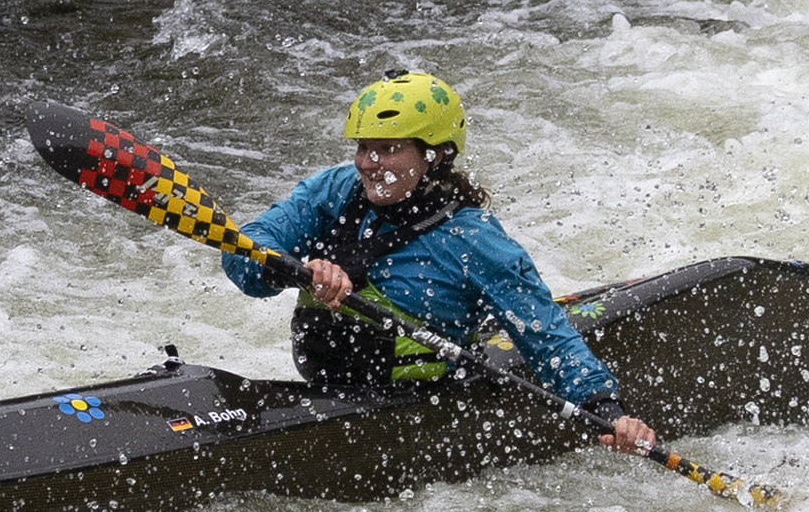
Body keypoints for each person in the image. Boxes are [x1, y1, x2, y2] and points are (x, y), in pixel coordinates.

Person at [221, 70, 658, 457]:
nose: (368, 165)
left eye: (387, 150)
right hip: (328, 392)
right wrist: (295, 267)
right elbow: (245, 247)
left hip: (412, 404)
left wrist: (606, 409)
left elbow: (546, 333)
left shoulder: (475, 240)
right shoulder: (335, 190)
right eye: (363, 148)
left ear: (434, 156)